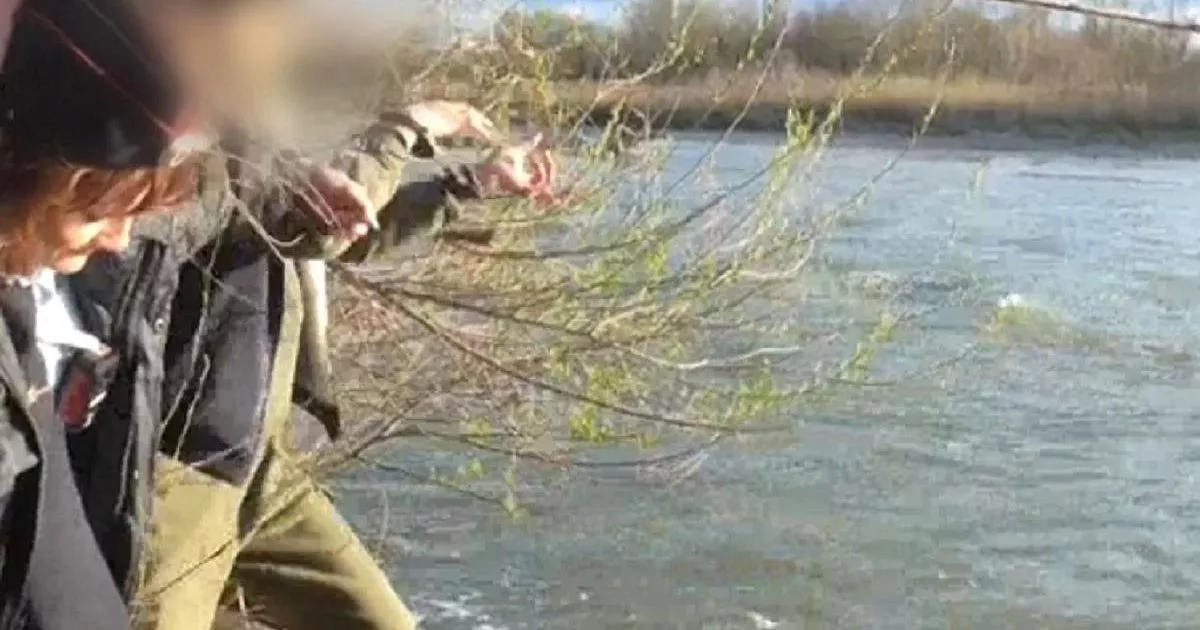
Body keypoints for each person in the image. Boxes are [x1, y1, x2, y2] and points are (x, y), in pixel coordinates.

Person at [0, 2, 558, 630]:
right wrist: (404, 128)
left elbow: (333, 226)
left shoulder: (236, 133)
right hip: (180, 475)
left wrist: (466, 183)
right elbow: (213, 211)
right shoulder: (132, 129)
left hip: (261, 463)